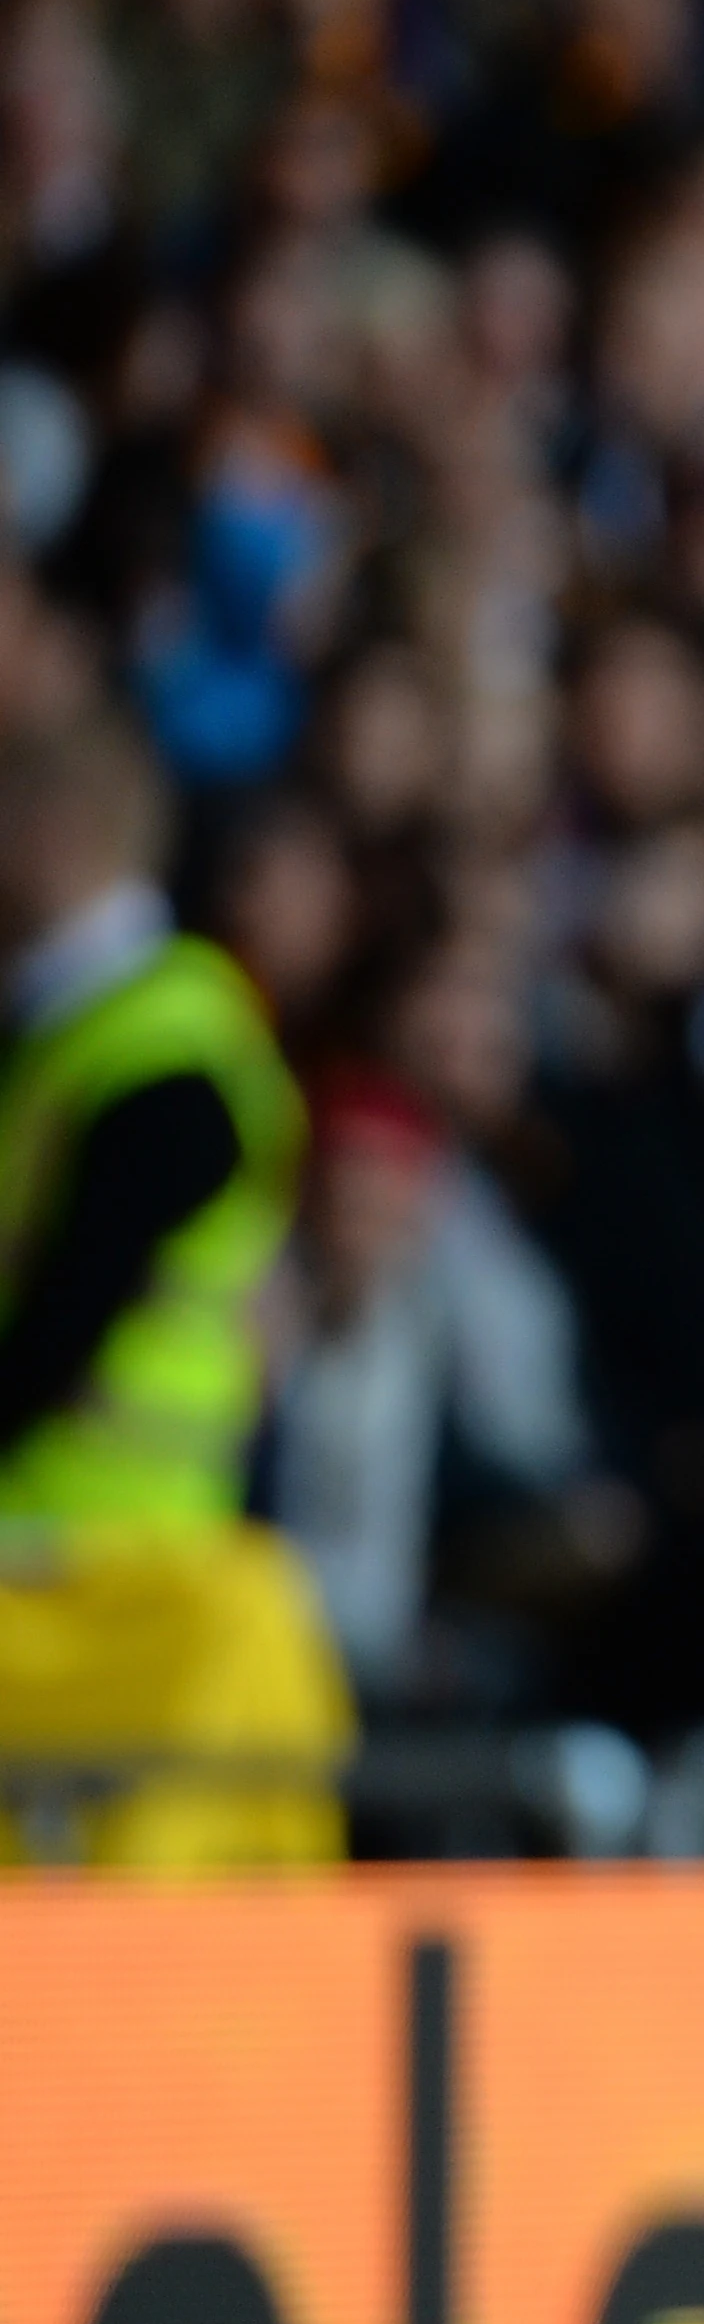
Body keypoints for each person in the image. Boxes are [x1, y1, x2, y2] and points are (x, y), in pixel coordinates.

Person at [0, 701, 345, 1868]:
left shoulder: (165, 1044)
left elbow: (62, 1320)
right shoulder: (74, 1031)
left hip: (111, 1578)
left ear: (53, 831)